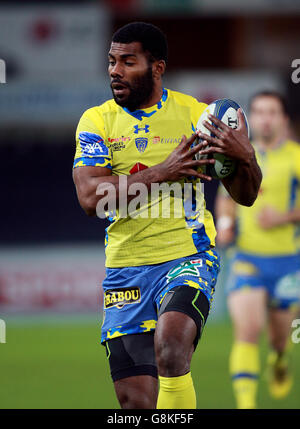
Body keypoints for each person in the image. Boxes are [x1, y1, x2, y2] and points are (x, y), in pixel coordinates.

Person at [73, 22, 261, 409]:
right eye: (112, 62)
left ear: (157, 67)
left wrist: (246, 159)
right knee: (135, 403)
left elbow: (246, 195)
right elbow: (92, 198)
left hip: (187, 256)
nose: (115, 71)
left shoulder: (197, 117)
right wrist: (164, 170)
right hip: (126, 269)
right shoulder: (98, 121)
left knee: (171, 346)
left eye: (128, 61)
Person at [215, 91, 300, 409]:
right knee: (248, 330)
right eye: (259, 112)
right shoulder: (237, 157)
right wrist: (224, 222)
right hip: (247, 258)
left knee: (280, 339)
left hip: (289, 263)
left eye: (272, 112)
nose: (265, 118)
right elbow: (225, 196)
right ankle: (246, 404)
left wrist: (284, 216)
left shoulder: (295, 157)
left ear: (283, 119)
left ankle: (279, 360)